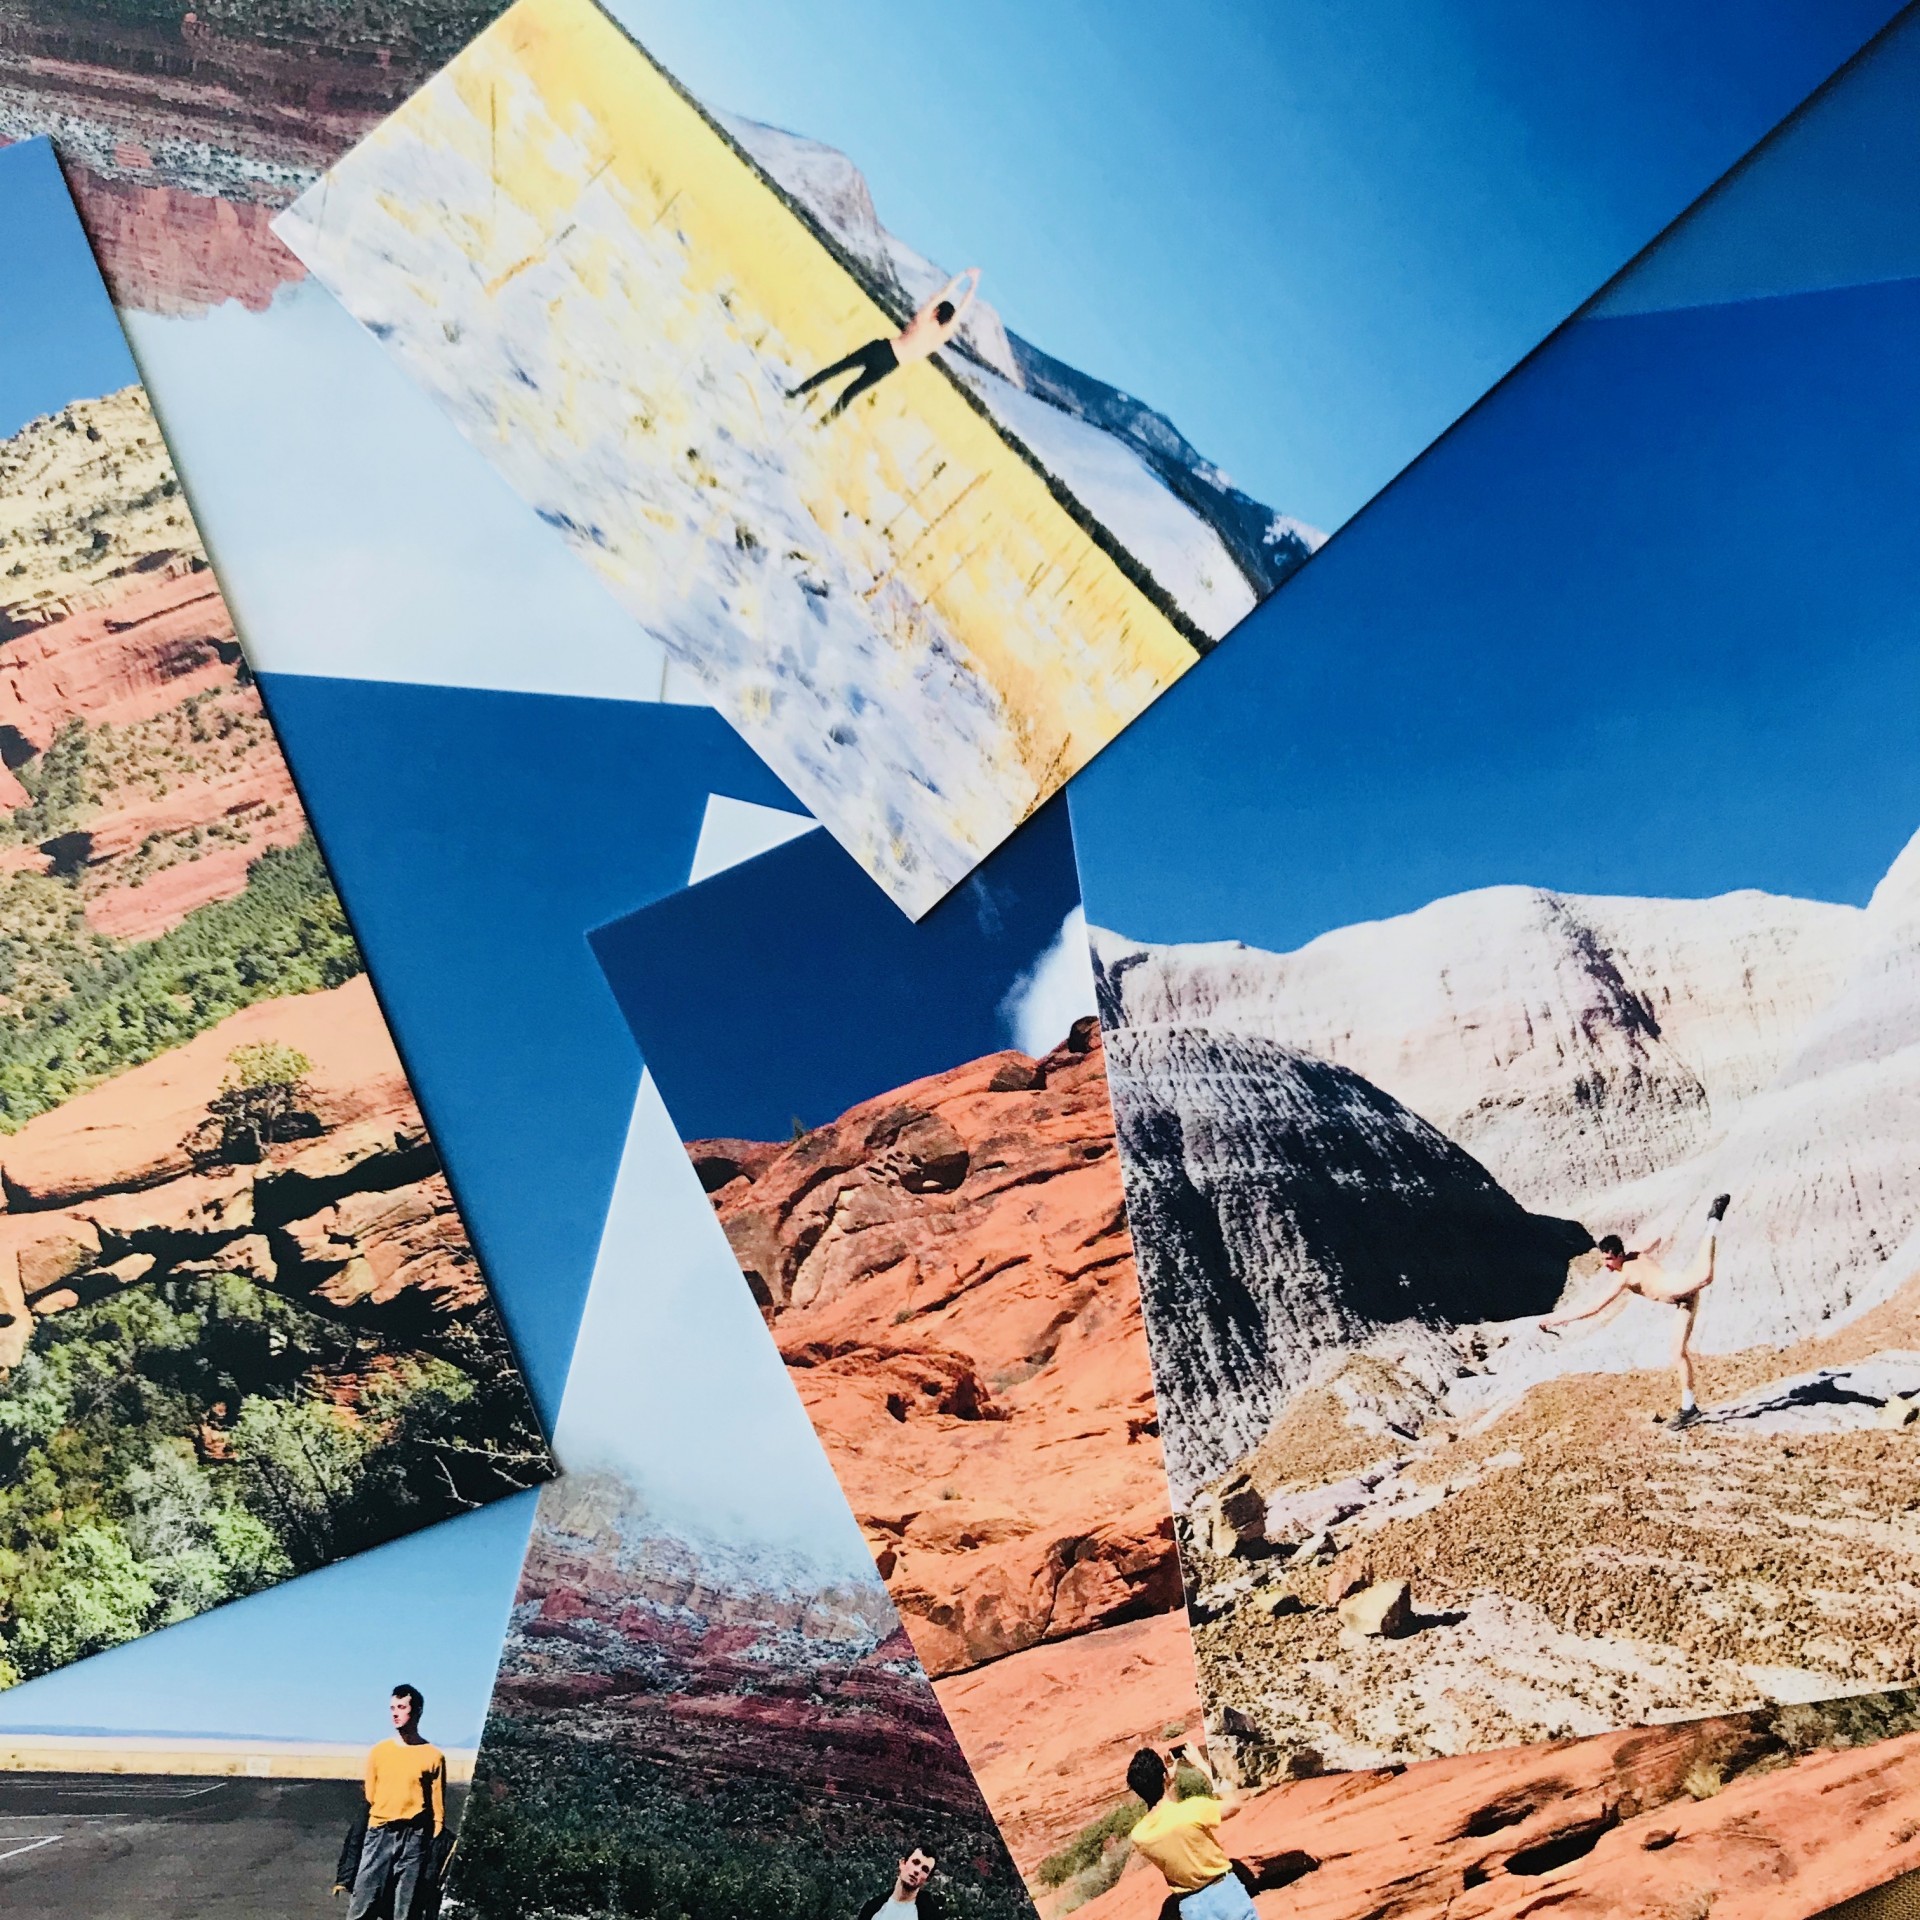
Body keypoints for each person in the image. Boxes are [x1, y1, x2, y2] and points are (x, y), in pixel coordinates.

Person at [1541, 1193, 1732, 1429]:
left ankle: (1713, 1221)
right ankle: (1689, 1407)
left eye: (1609, 1259)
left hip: (1676, 1287)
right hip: (1683, 1302)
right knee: (1677, 1352)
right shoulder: (1634, 1254)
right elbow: (1656, 1239)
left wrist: (1557, 1319)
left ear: (1619, 1255)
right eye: (1604, 1260)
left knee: (1704, 1276)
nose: (1606, 1265)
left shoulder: (1625, 1275)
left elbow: (1595, 1307)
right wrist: (1647, 1245)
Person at [789, 270, 982, 422]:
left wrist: (963, 276)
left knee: (836, 369)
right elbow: (961, 312)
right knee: (851, 393)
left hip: (882, 348)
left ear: (937, 311)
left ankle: (797, 393)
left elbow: (941, 294)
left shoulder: (923, 319)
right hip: (890, 365)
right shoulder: (939, 338)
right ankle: (821, 425)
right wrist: (974, 285)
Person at [335, 1684, 448, 1919]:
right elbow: (371, 1796)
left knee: (404, 1907)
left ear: (416, 1711)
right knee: (363, 1901)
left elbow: (437, 1809)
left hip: (414, 1837)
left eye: (401, 1707)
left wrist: (429, 1842)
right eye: (392, 1708)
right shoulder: (380, 1752)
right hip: (379, 1833)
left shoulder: (433, 1756)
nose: (395, 1713)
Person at [1124, 1743, 1256, 1920]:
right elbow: (1233, 1804)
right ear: (1165, 1776)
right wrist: (1201, 1764)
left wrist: (1168, 1783)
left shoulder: (1140, 1836)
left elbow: (1170, 1819)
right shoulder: (1193, 1809)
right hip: (1224, 1893)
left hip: (1191, 1906)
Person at [853, 1845, 949, 1920]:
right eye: (915, 1862)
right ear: (902, 1863)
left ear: (927, 1879)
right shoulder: (872, 1908)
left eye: (924, 1869)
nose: (917, 1871)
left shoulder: (930, 1915)